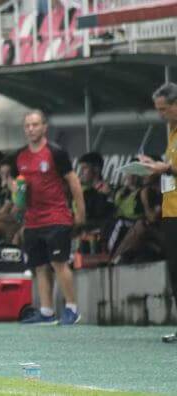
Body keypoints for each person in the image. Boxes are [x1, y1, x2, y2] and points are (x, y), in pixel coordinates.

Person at [15, 110, 85, 325]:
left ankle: (72, 308)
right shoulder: (21, 156)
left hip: (57, 217)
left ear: (45, 127)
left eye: (35, 125)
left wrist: (80, 213)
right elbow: (20, 190)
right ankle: (46, 312)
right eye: (27, 125)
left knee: (59, 262)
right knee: (40, 265)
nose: (31, 129)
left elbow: (73, 182)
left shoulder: (56, 152)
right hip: (33, 220)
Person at [138, 82, 177, 343]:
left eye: (164, 109)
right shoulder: (172, 133)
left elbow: (172, 168)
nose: (161, 115)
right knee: (174, 269)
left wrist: (165, 169)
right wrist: (155, 167)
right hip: (171, 209)